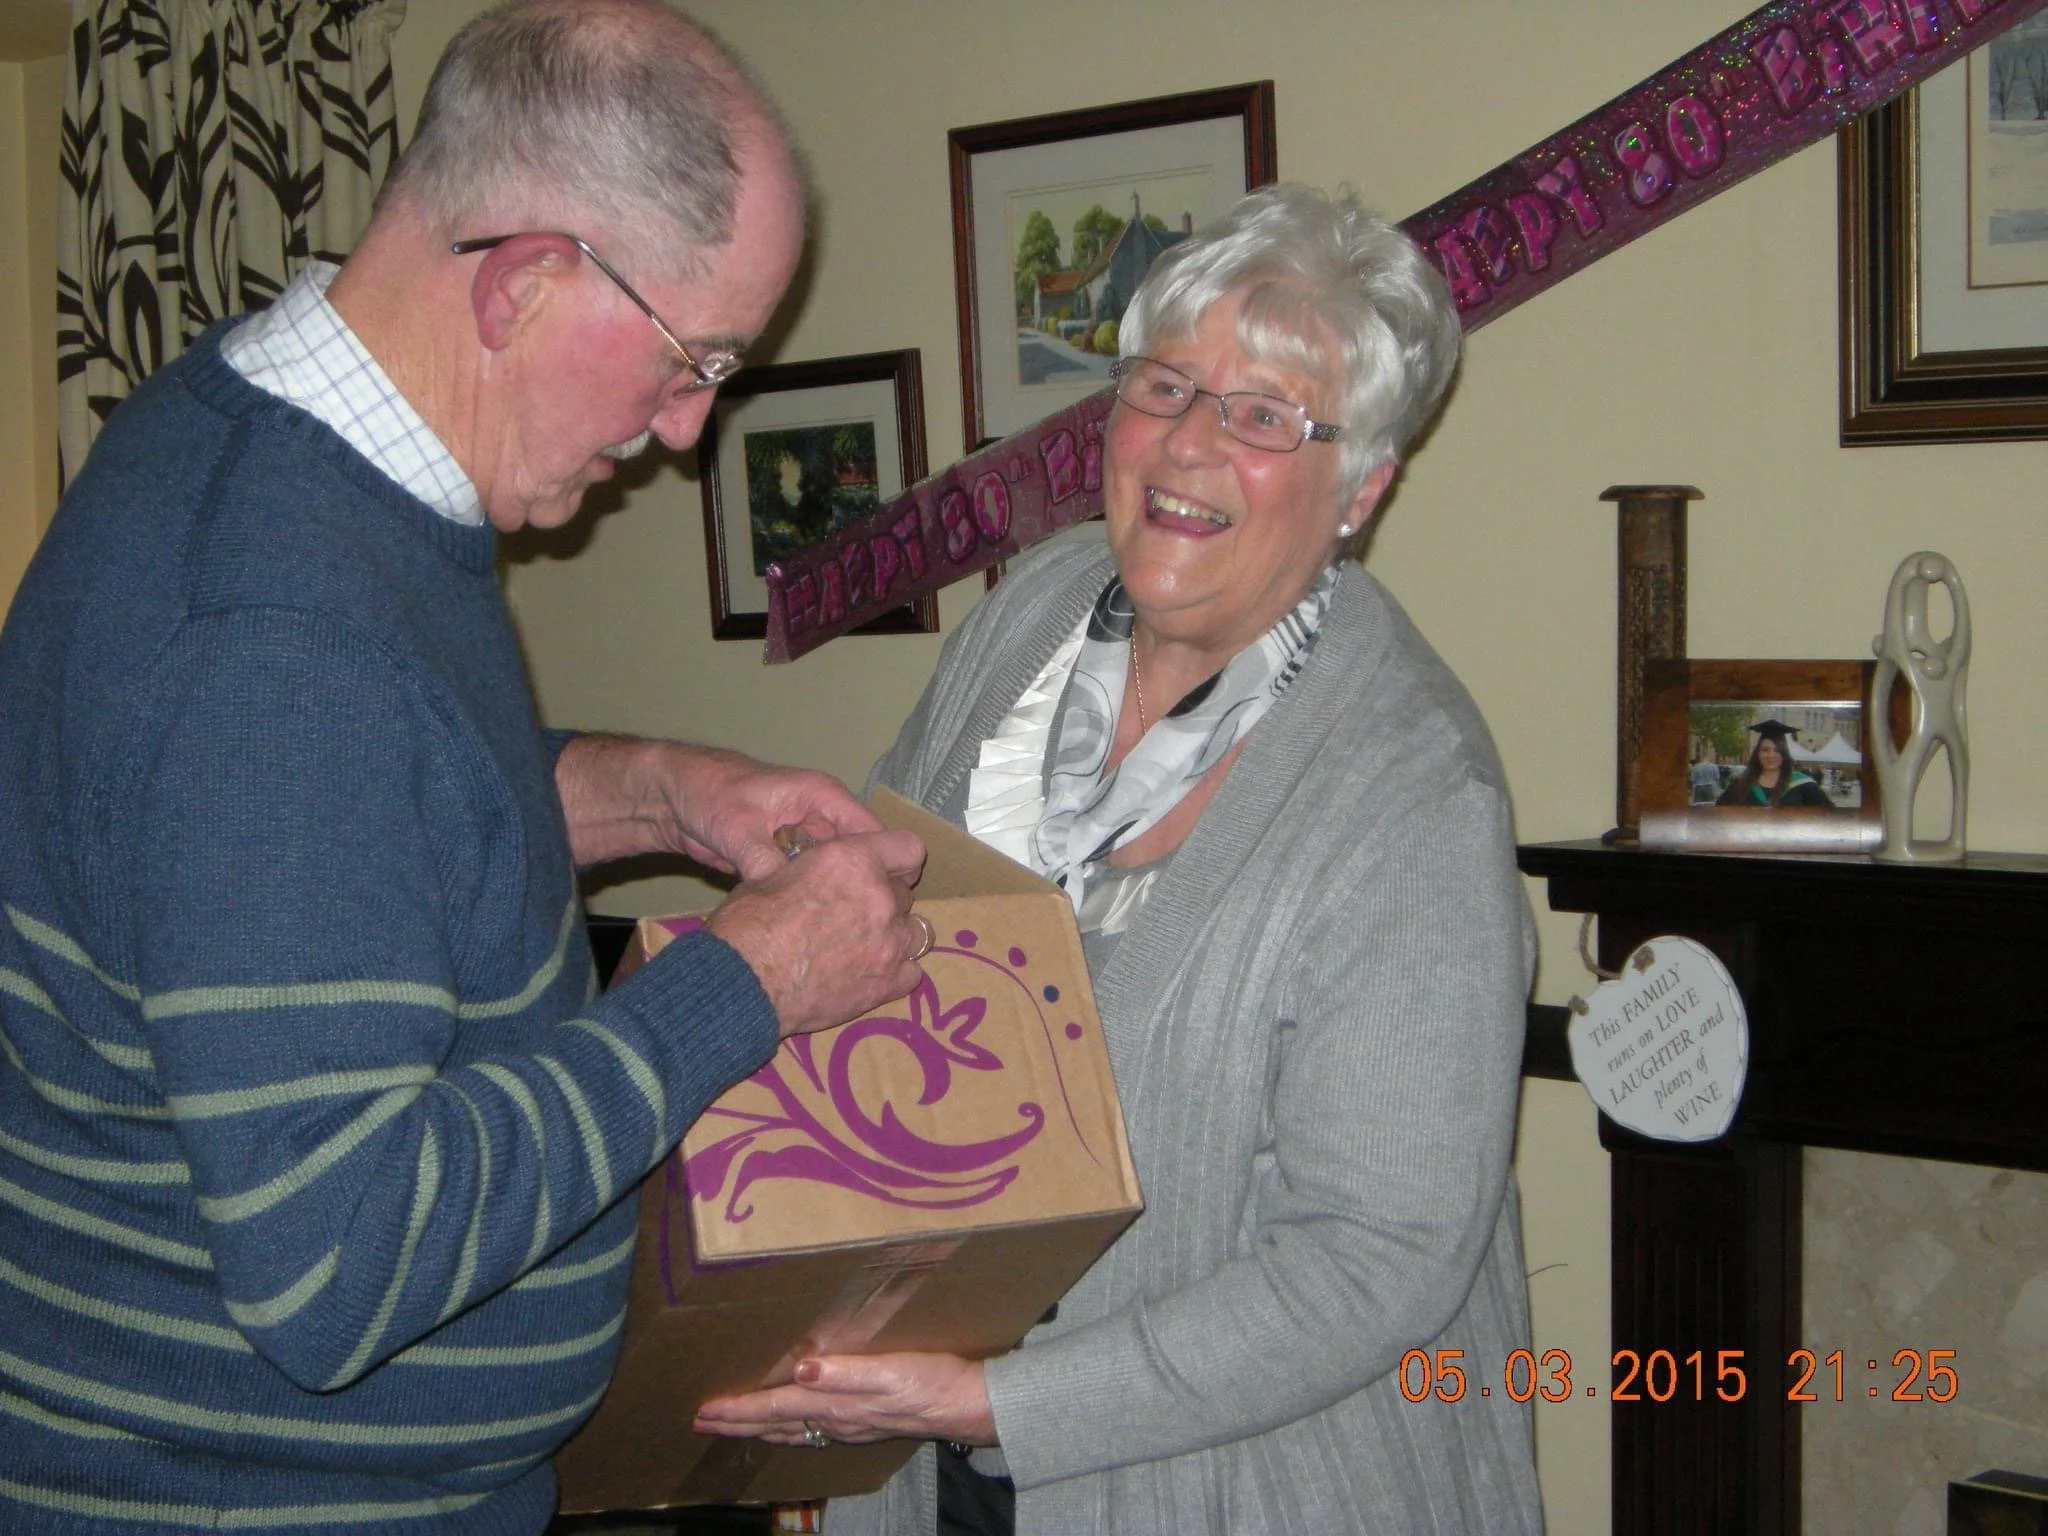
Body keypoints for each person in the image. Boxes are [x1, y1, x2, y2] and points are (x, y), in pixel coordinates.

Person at [0, 3, 931, 1532]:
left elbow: (371, 820)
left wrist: (659, 793)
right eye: (694, 359)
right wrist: (744, 987)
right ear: (527, 280)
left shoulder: (260, 441)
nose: (691, 432)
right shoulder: (274, 638)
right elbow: (334, 1264)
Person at [694, 184, 1543, 1535]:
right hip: (918, 1448)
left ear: (1362, 487)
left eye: (1267, 415)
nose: (1190, 444)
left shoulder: (1408, 794)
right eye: (1164, 385)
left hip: (1249, 1484)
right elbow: (867, 956)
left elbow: (1378, 1261)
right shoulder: (1032, 613)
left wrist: (995, 1405)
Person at [1716, 718, 1833, 808]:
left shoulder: (1804, 785)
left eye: (1777, 750)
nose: (1771, 755)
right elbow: (1719, 816)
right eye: (1765, 750)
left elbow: (1828, 817)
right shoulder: (1740, 785)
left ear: (1784, 754)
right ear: (1757, 753)